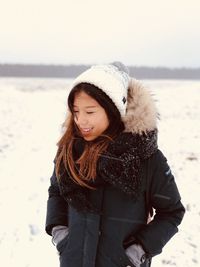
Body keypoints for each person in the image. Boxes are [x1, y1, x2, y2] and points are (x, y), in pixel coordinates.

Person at [45, 62, 185, 267]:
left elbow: (172, 212)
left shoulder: (146, 157)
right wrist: (61, 235)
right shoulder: (70, 151)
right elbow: (56, 191)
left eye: (90, 112)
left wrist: (137, 252)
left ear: (113, 109)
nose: (81, 120)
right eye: (76, 112)